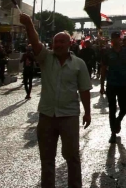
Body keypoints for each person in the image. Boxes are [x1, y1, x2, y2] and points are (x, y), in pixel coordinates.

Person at [20, 12, 91, 188]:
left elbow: (84, 90)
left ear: (70, 44)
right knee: (47, 159)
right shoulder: (45, 58)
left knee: (72, 157)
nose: (58, 44)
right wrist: (29, 24)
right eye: (55, 42)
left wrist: (87, 113)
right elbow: (35, 42)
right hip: (47, 116)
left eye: (62, 42)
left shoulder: (79, 64)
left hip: (69, 116)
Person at [100, 33, 126, 142]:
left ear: (120, 39)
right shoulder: (107, 53)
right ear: (111, 40)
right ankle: (113, 133)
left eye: (118, 38)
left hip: (123, 84)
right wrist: (102, 86)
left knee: (124, 107)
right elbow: (103, 69)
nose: (116, 40)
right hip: (111, 84)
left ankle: (118, 120)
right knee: (112, 109)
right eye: (114, 38)